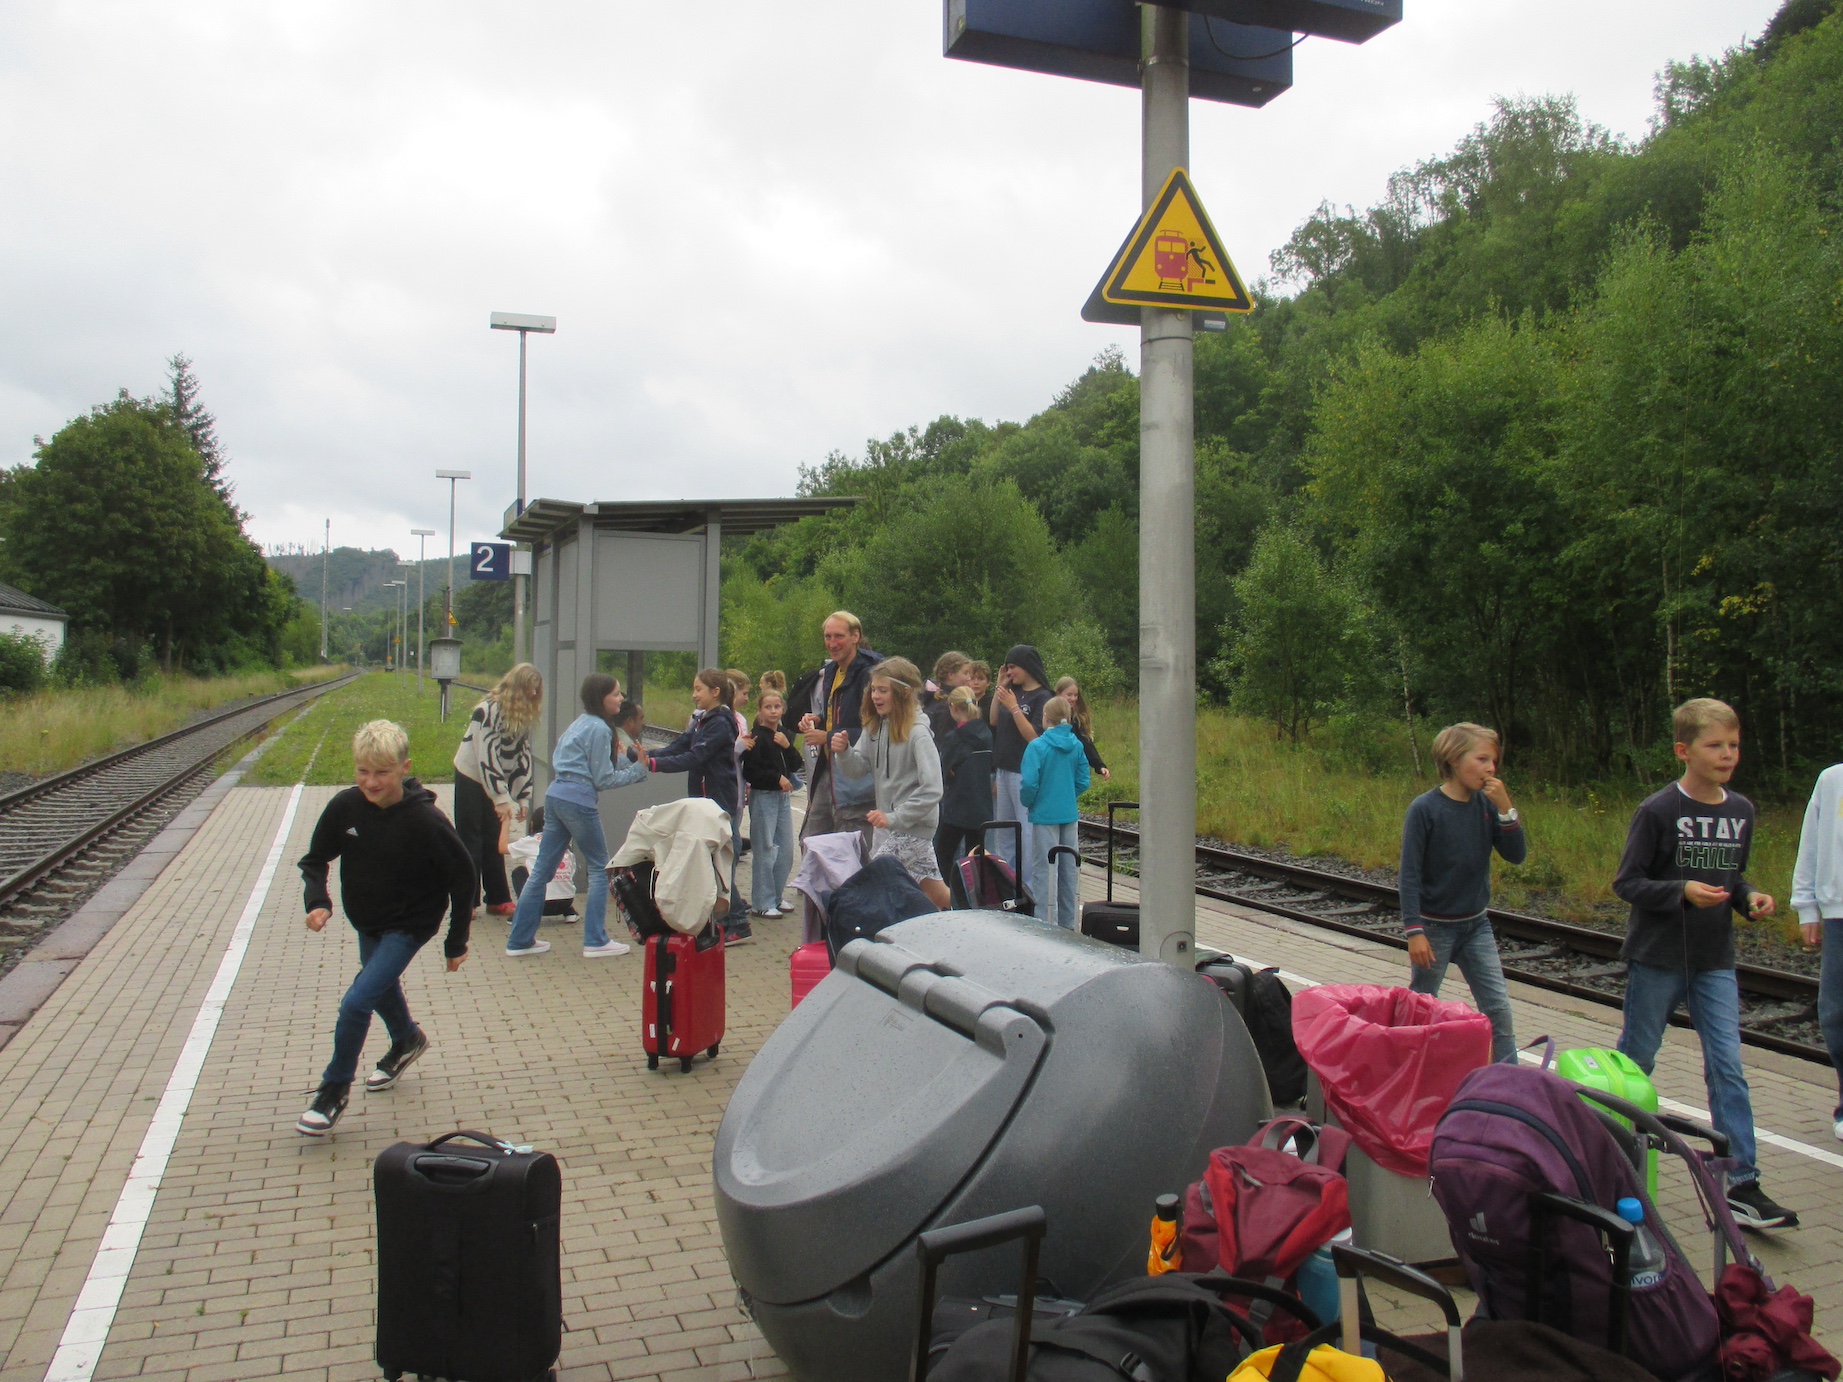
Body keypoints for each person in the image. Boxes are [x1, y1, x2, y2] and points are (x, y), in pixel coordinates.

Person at [1614, 698, 1795, 1229]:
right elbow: (1628, 882)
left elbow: (1733, 877)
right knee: (1637, 1059)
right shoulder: (1658, 810)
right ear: (1683, 751)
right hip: (1658, 957)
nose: (1727, 754)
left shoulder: (1742, 811)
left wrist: (1749, 897)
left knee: (1727, 1066)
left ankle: (1742, 1182)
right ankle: (1611, 1148)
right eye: (1714, 745)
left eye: (1733, 745)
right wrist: (1681, 891)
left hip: (1715, 960)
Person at [294, 719, 474, 1136]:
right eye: (362, 771)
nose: (371, 782)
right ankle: (407, 1039)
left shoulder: (426, 821)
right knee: (380, 985)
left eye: (382, 772)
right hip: (368, 920)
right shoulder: (345, 807)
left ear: (404, 768)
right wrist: (317, 901)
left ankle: (333, 1090)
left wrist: (456, 941)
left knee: (357, 1002)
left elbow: (464, 877)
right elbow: (314, 860)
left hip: (409, 925)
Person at [1400, 723, 1525, 1066]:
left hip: (1475, 926)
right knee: (1422, 1004)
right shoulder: (1425, 809)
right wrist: (1414, 931)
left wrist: (1506, 809)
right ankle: (1408, 1067)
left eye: (1494, 761)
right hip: (1434, 928)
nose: (1490, 768)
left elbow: (1516, 855)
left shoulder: (1486, 805)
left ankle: (1509, 1081)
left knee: (1498, 1008)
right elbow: (1409, 875)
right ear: (1454, 760)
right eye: (1482, 759)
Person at [505, 674, 647, 960]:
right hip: (579, 802)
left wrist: (627, 759)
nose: (621, 699)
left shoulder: (581, 723)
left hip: (556, 797)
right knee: (599, 868)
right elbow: (603, 778)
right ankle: (596, 940)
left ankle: (519, 941)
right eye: (615, 694)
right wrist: (638, 770)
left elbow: (585, 763)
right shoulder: (600, 729)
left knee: (541, 871)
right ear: (601, 698)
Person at [831, 656, 949, 909]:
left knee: (872, 886)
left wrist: (895, 817)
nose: (875, 696)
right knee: (937, 895)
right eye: (873, 689)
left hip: (911, 828)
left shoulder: (918, 733)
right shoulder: (876, 726)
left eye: (883, 690)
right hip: (888, 826)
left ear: (904, 693)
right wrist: (844, 752)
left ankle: (877, 933)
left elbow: (932, 789)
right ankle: (972, 916)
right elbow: (857, 769)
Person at [647, 668, 747, 942]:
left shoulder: (720, 723)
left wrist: (655, 764)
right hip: (706, 801)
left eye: (698, 689)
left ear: (715, 692)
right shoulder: (704, 719)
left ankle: (737, 921)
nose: (694, 694)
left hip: (717, 802)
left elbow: (695, 756)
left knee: (716, 863)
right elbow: (680, 745)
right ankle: (724, 920)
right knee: (710, 862)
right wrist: (645, 755)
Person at [450, 663, 542, 916]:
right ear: (518, 688)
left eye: (537, 689)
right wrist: (501, 798)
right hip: (470, 775)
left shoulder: (522, 715)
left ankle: (497, 898)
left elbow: (522, 756)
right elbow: (485, 755)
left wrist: (523, 797)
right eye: (530, 688)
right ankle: (466, 902)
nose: (534, 694)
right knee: (471, 839)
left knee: (493, 837)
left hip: (494, 781)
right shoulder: (486, 711)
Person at [798, 611, 885, 853]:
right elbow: (840, 715)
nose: (832, 643)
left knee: (852, 851)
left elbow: (875, 728)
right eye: (828, 637)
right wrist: (818, 719)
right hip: (828, 770)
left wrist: (826, 736)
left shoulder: (871, 674)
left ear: (856, 636)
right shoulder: (831, 671)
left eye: (839, 636)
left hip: (857, 778)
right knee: (812, 843)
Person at [1792, 758, 1843, 1140]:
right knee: (1834, 1014)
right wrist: (1807, 905)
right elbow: (1810, 842)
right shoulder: (1832, 779)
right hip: (1838, 913)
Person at [1020, 696, 1092, 930]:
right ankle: (1069, 924)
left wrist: (1030, 802)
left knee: (1045, 870)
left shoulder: (1037, 747)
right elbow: (1083, 780)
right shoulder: (1077, 745)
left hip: (1044, 815)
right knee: (1069, 869)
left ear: (1045, 718)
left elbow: (1029, 783)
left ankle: (1045, 922)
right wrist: (1068, 795)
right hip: (1068, 813)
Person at [988, 645, 1052, 893]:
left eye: (1013, 667)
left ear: (1026, 666)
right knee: (1003, 833)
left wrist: (1015, 708)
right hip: (1004, 769)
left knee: (1026, 833)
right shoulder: (1011, 693)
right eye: (1007, 668)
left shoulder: (1043, 697)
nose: (1009, 672)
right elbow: (993, 719)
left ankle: (1028, 888)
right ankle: (1006, 885)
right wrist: (1000, 689)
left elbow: (1034, 737)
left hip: (1024, 772)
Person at [742, 685, 804, 917]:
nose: (773, 711)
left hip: (782, 798)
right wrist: (776, 778)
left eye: (777, 706)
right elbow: (751, 771)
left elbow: (795, 764)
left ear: (783, 709)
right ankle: (762, 902)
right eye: (768, 707)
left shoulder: (783, 735)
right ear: (760, 710)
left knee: (785, 849)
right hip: (764, 797)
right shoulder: (757, 737)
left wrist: (788, 747)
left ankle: (777, 897)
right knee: (766, 848)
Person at [934, 686, 993, 905]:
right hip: (982, 806)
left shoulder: (955, 737)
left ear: (952, 707)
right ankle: (976, 900)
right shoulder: (986, 733)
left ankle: (950, 898)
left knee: (943, 853)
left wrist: (950, 774)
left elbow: (943, 768)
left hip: (958, 806)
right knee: (975, 857)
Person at [507, 805, 576, 918]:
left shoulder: (531, 841)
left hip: (541, 904)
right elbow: (572, 873)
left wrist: (505, 822)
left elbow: (501, 848)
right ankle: (570, 912)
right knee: (560, 872)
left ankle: (523, 912)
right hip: (567, 901)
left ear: (532, 824)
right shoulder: (565, 844)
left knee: (519, 872)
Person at [1054, 676, 1110, 780]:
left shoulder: (1076, 718)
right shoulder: (1049, 716)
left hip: (1072, 767)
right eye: (1069, 695)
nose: (1073, 698)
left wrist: (1099, 765)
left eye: (1076, 695)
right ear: (1058, 694)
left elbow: (1086, 743)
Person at [923, 651, 972, 740]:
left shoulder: (929, 696)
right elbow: (945, 740)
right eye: (965, 673)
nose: (969, 678)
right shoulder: (948, 704)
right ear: (951, 675)